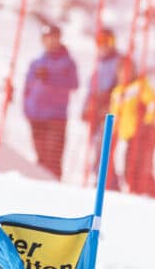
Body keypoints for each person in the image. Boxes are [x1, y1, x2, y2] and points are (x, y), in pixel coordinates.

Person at [22, 24, 79, 180]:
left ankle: (53, 190)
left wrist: (51, 79)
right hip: (36, 117)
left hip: (56, 117)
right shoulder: (37, 62)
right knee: (40, 158)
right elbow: (27, 87)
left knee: (53, 160)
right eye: (47, 38)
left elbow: (73, 84)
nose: (51, 42)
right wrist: (27, 109)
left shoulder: (67, 62)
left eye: (54, 38)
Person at [109, 56, 155, 198]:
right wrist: (113, 133)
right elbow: (114, 114)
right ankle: (137, 194)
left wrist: (147, 123)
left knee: (141, 169)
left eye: (128, 70)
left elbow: (153, 104)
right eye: (121, 70)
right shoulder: (117, 92)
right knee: (129, 169)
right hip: (128, 137)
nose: (125, 73)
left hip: (144, 134)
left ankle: (152, 196)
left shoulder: (140, 86)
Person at [82, 26, 122, 167]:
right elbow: (91, 88)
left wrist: (109, 103)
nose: (103, 45)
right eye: (99, 41)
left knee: (103, 155)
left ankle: (108, 185)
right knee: (98, 155)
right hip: (96, 113)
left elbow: (122, 85)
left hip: (110, 114)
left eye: (107, 40)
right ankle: (104, 183)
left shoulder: (119, 61)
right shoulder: (99, 63)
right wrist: (86, 107)